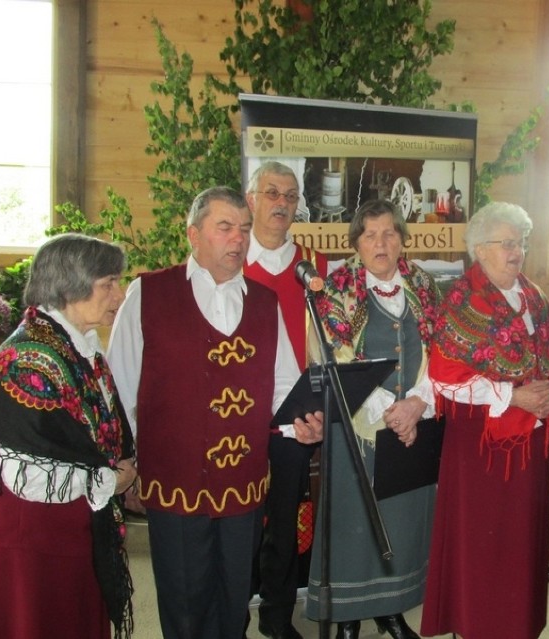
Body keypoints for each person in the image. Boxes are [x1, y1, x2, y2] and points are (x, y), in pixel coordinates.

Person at [106, 186, 323, 639]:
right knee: (186, 603)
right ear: (194, 234)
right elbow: (120, 387)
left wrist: (300, 425)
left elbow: (283, 384)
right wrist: (128, 466)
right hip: (175, 479)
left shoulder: (264, 303)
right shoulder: (148, 294)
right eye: (225, 227)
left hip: (243, 480)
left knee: (233, 600)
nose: (238, 239)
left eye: (243, 229)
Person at [0, 233, 137, 639]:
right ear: (70, 287)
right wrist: (112, 480)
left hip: (70, 520)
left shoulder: (77, 343)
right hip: (32, 531)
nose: (119, 293)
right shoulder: (28, 357)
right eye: (108, 283)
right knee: (38, 622)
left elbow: (101, 424)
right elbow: (25, 467)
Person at [420, 201, 549, 639]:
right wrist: (513, 396)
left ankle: (519, 626)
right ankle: (480, 625)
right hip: (481, 450)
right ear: (479, 250)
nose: (516, 251)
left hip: (531, 445)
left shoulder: (534, 296)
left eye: (519, 242)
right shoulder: (462, 301)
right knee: (484, 546)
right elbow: (445, 377)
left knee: (523, 546)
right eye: (506, 243)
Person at [305, 199, 441, 639]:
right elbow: (333, 356)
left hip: (413, 422)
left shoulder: (424, 284)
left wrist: (417, 403)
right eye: (370, 234)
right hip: (359, 425)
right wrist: (388, 409)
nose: (380, 243)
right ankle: (348, 617)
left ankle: (392, 610)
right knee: (355, 524)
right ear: (356, 243)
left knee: (401, 521)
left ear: (403, 239)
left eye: (389, 233)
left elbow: (443, 350)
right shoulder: (336, 287)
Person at [243, 161, 329, 639]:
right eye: (272, 193)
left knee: (284, 518)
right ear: (252, 199)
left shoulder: (312, 264)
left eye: (290, 195)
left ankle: (276, 616)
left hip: (295, 417)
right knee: (238, 520)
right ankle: (234, 611)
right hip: (238, 414)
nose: (281, 203)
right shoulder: (233, 259)